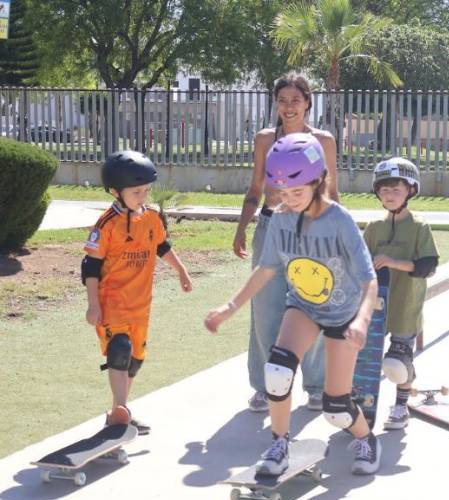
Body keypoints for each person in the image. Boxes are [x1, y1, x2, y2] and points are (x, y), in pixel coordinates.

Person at [206, 133, 382, 475]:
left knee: (336, 408)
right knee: (277, 371)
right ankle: (279, 443)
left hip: (344, 314)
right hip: (302, 306)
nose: (289, 200)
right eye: (282, 193)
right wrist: (230, 307)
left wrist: (361, 320)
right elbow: (266, 269)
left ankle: (366, 438)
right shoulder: (282, 218)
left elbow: (369, 279)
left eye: (296, 192)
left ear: (319, 181)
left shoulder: (339, 221)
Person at [233, 73, 333, 413]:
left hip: (311, 229)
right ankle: (264, 385)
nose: (288, 107)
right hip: (271, 228)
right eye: (282, 101)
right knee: (265, 309)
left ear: (308, 102)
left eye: (295, 100)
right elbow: (255, 187)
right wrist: (242, 228)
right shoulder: (265, 139)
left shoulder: (323, 140)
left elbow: (332, 192)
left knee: (313, 303)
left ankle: (316, 385)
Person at [82, 150, 193, 433]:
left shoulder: (152, 219)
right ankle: (121, 409)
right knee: (119, 350)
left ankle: (119, 413)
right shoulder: (106, 225)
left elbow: (162, 247)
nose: (143, 196)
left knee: (134, 361)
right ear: (115, 192)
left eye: (146, 190)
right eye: (136, 191)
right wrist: (92, 305)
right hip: (112, 303)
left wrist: (180, 270)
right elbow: (90, 267)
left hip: (141, 305)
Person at [363, 157, 440, 430]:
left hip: (405, 306)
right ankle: (361, 406)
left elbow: (427, 266)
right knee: (363, 361)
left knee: (396, 364)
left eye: (396, 189)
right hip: (374, 306)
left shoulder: (419, 227)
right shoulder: (373, 228)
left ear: (410, 190)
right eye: (384, 190)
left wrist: (393, 262)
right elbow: (359, 265)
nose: (389, 195)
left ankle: (400, 406)